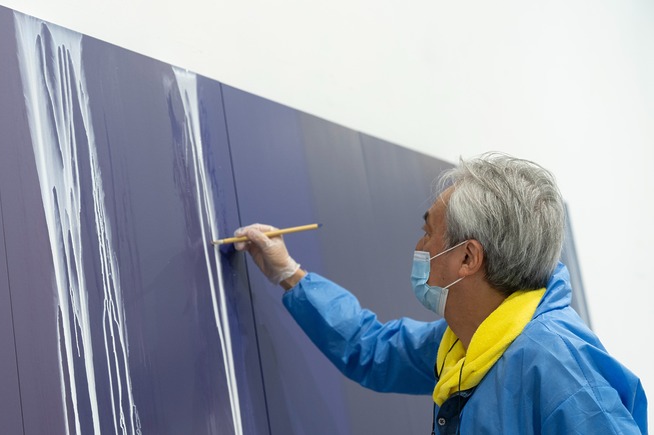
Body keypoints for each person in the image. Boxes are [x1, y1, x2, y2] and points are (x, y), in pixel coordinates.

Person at [234, 153, 647, 434]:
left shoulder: (560, 369)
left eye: (429, 231)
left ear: (468, 258)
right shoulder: (468, 343)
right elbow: (371, 348)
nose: (420, 246)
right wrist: (289, 273)